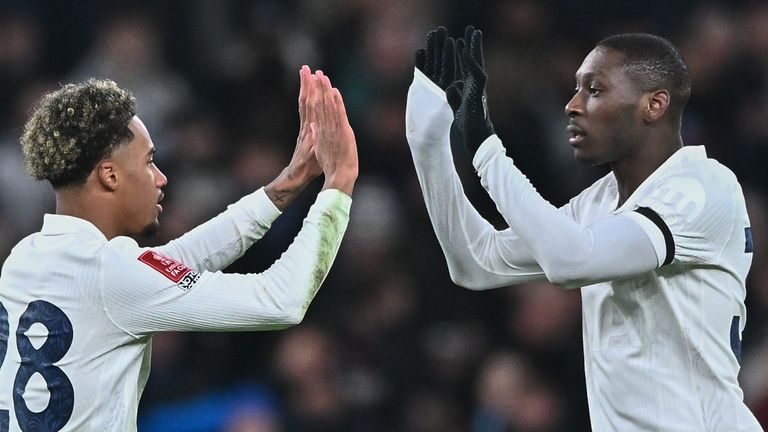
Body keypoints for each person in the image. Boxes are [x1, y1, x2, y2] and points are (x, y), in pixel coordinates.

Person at [406, 26, 761, 430]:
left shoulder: (700, 187)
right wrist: (428, 142)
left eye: (594, 90)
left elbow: (570, 262)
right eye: (576, 89)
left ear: (654, 105)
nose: (572, 105)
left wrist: (487, 151)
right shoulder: (599, 202)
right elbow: (477, 262)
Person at [0, 66, 357, 431]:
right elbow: (282, 299)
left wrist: (288, 183)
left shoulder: (23, 259)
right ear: (110, 175)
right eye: (149, 161)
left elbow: (169, 262)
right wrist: (339, 184)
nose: (161, 178)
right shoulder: (113, 272)